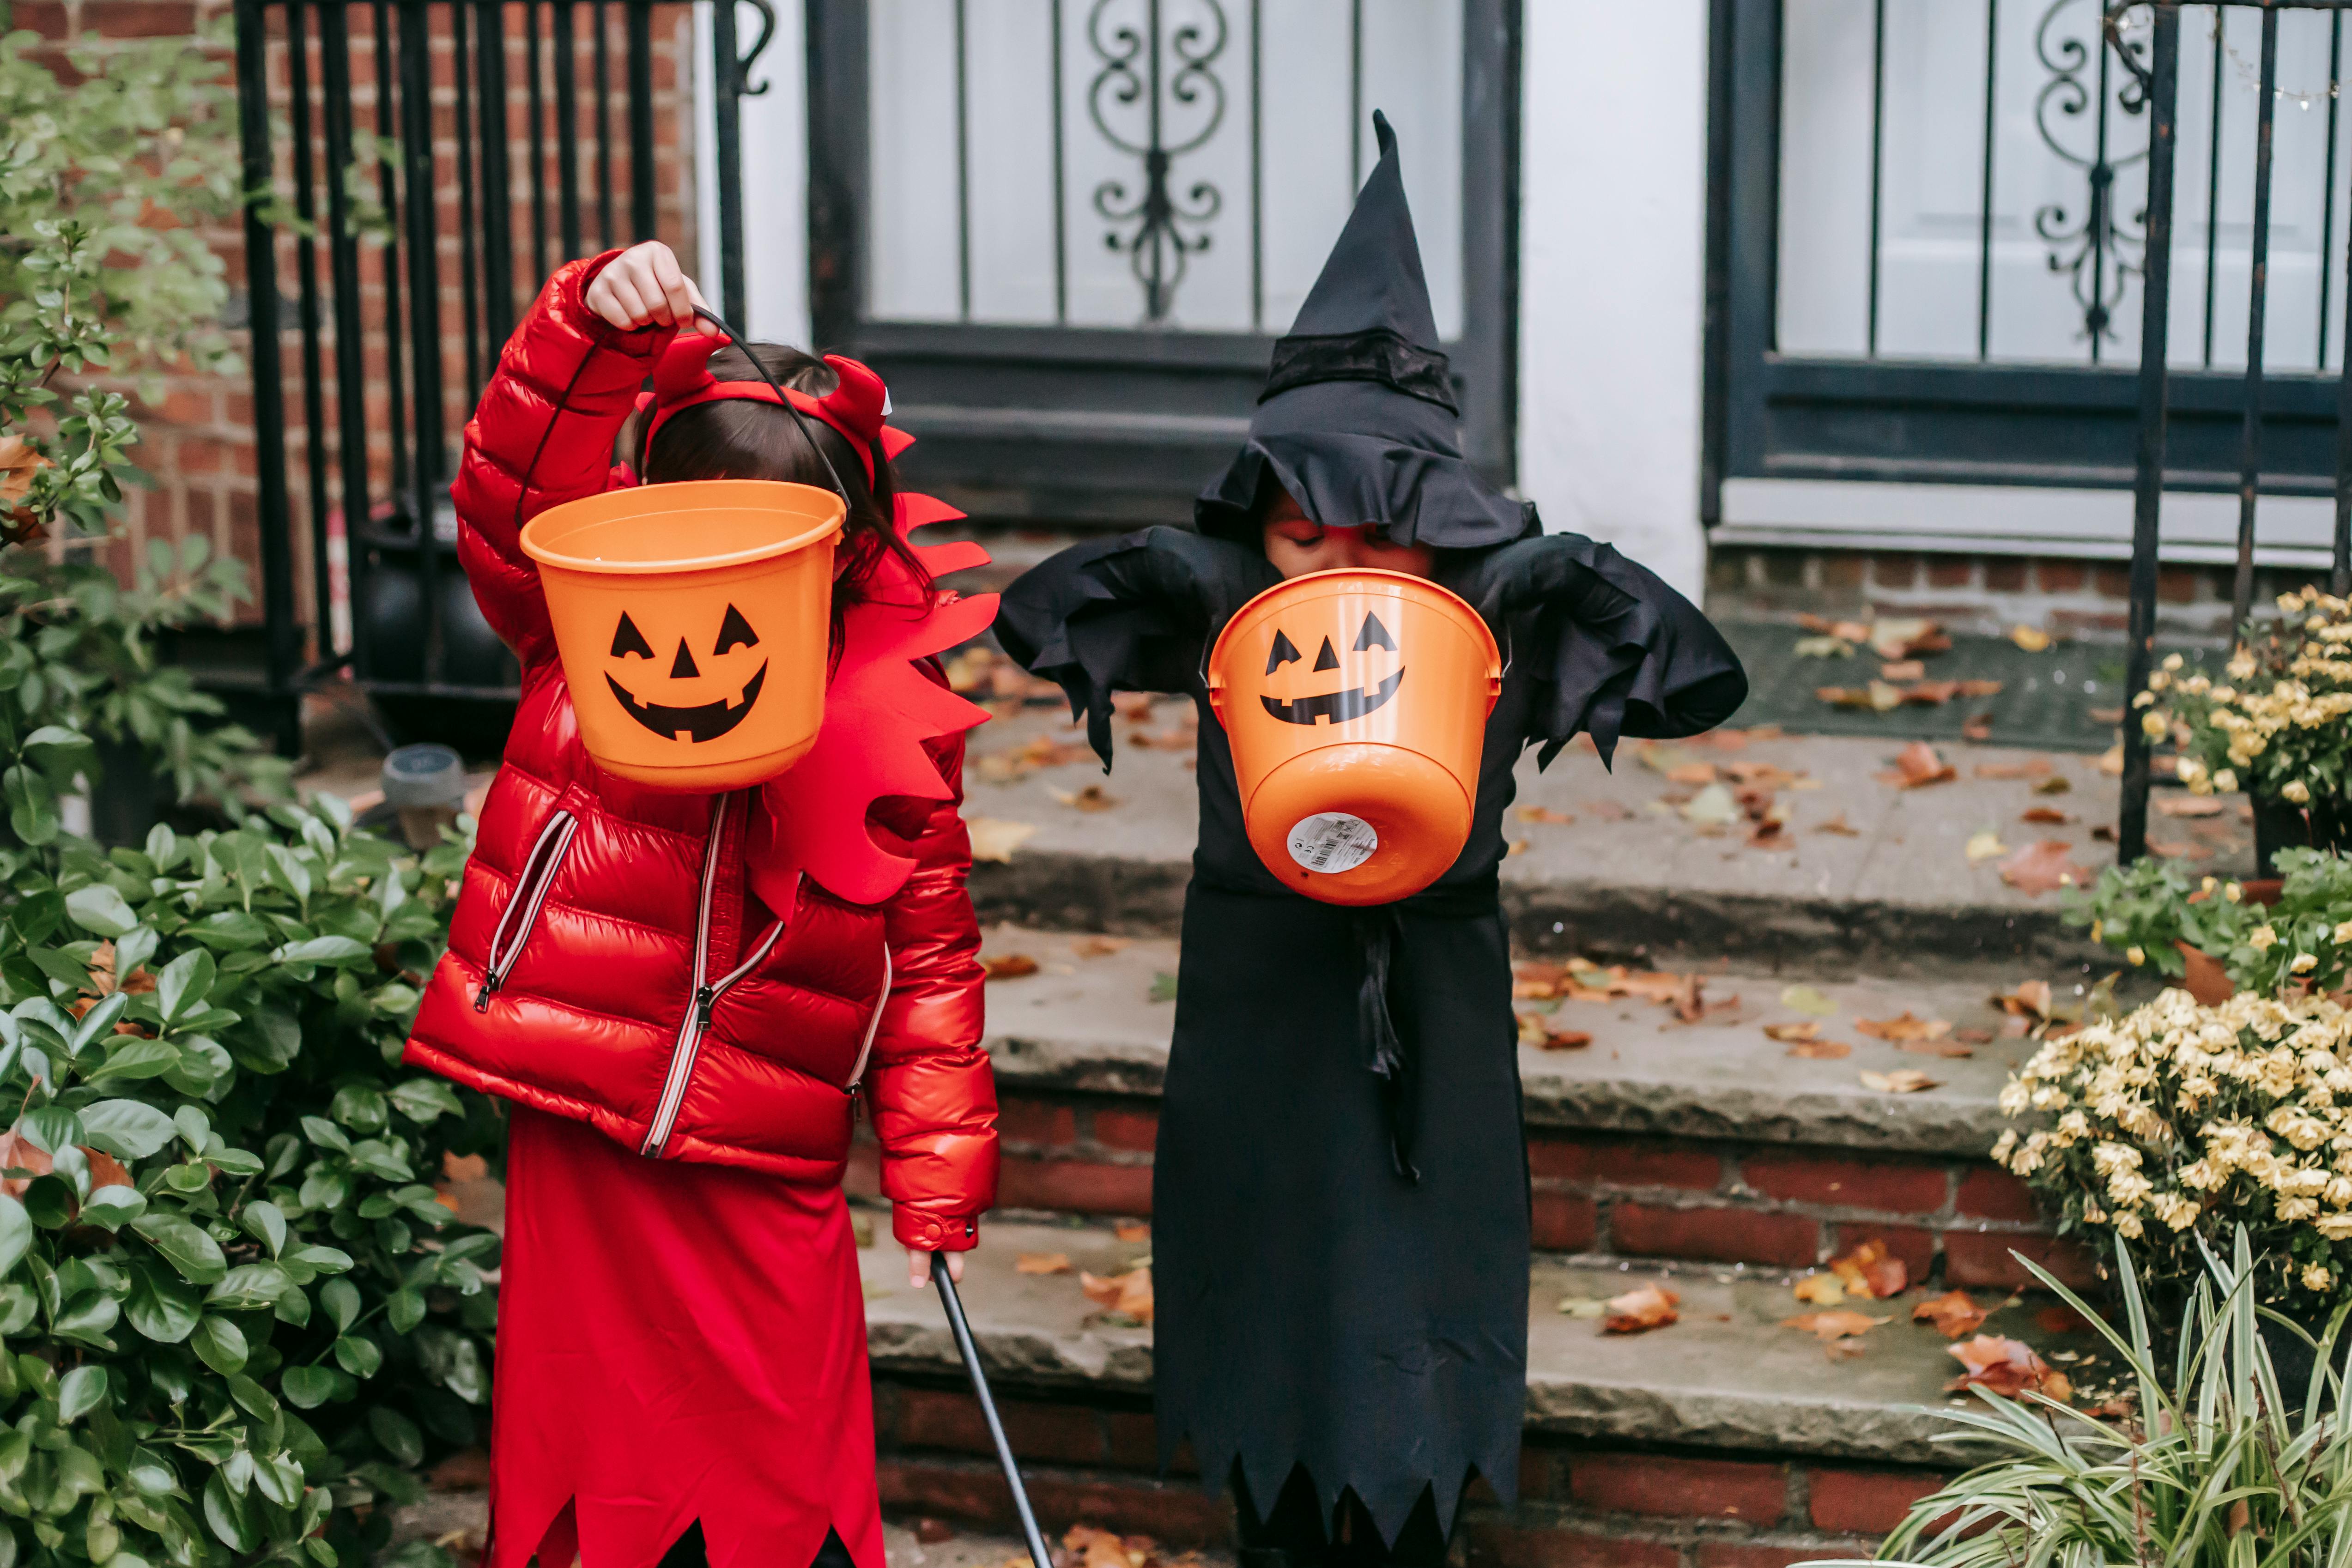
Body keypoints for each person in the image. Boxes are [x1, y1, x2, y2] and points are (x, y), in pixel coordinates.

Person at [993, 115, 1747, 1568]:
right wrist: (1196, 571)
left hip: (1433, 1024)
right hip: (1257, 1008)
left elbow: (1701, 674)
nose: (1335, 570)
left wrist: (1553, 572)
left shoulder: (1491, 623)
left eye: (1380, 534)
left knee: (1413, 1401)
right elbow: (1030, 618)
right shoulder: (1230, 606)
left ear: (1442, 527)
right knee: (1270, 1393)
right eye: (1297, 534)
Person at [405, 241, 1001, 1568]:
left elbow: (930, 953)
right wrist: (587, 329)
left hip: (761, 1153)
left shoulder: (887, 719)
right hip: (590, 1124)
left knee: (781, 1482)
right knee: (596, 1480)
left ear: (842, 556)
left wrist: (937, 1173)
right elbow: (513, 496)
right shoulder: (578, 623)